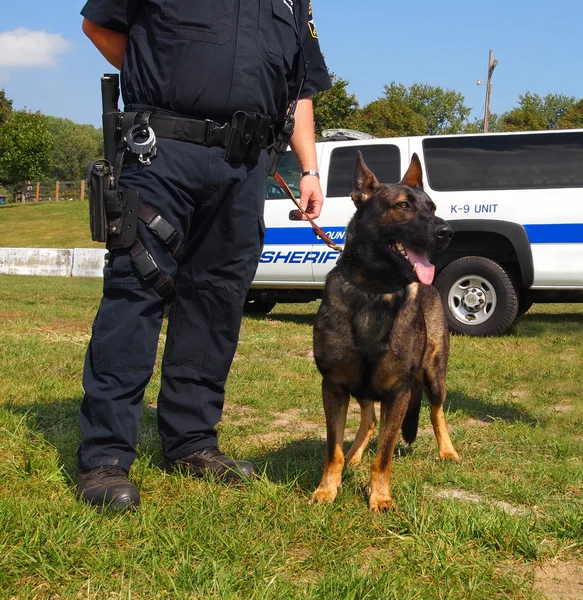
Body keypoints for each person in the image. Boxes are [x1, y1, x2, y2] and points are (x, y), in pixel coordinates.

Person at [77, 0, 331, 511]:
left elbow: (299, 87)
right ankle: (105, 457)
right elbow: (97, 25)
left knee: (216, 301)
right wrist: (162, 76)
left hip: (245, 166)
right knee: (136, 291)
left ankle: (191, 442)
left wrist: (309, 167)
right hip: (162, 150)